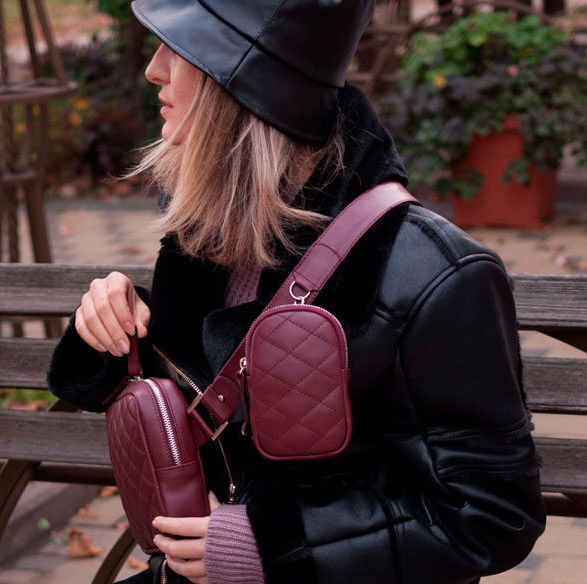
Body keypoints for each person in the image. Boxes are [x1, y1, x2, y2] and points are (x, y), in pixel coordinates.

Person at [47, 1, 546, 583]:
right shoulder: (214, 230)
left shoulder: (438, 272)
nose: (153, 69)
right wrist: (119, 325)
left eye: (177, 49)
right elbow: (217, 402)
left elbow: (491, 514)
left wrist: (268, 547)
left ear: (243, 82)